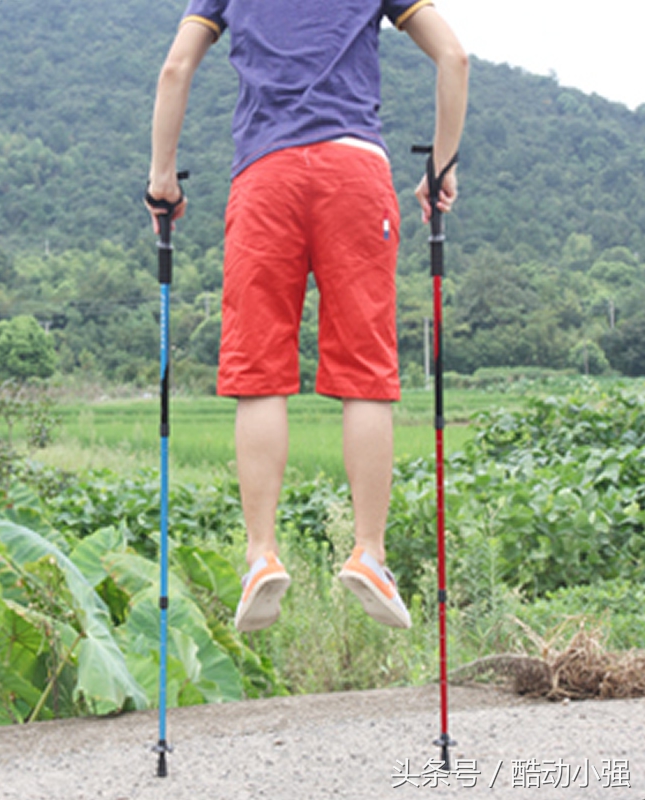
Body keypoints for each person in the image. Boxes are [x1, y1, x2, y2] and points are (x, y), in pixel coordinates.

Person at [146, 0, 468, 633]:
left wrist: (163, 178)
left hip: (266, 177)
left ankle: (261, 555)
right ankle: (369, 554)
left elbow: (175, 70)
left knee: (259, 370)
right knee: (366, 369)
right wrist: (440, 166)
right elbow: (453, 57)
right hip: (357, 173)